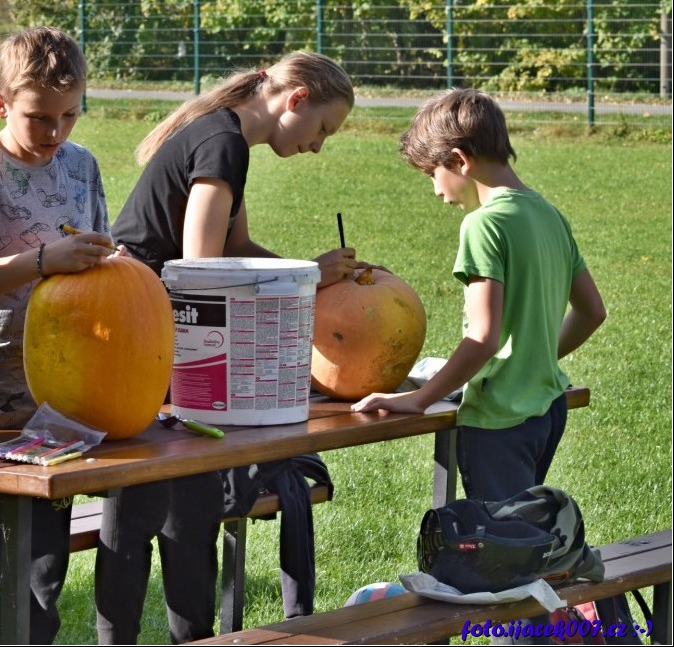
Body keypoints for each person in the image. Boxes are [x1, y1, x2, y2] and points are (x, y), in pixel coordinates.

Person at [99, 51, 362, 644]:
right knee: (157, 511)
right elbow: (200, 267)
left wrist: (311, 271)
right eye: (323, 128)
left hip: (161, 333)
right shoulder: (223, 142)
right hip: (143, 338)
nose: (320, 146)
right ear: (294, 100)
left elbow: (233, 246)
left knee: (180, 508)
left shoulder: (225, 139)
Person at [0, 26, 117, 644]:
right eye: (39, 118)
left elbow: (102, 269)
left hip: (58, 410)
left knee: (42, 581)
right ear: (1, 104)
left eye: (70, 115)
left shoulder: (82, 166)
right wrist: (42, 261)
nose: (56, 133)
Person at [352, 87, 607, 505]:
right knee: (522, 527)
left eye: (432, 175)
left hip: (498, 421)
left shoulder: (483, 225)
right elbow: (592, 311)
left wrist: (419, 398)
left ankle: (568, 559)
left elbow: (483, 338)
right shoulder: (548, 214)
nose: (436, 190)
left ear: (458, 160)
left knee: (505, 547)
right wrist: (532, 359)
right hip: (547, 409)